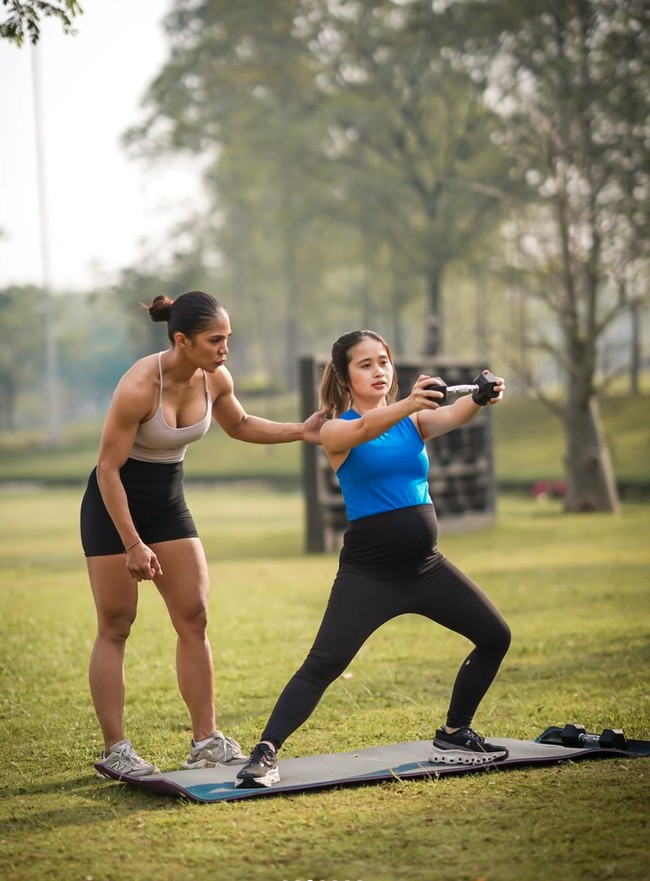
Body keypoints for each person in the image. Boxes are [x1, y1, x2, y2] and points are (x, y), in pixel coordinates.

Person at [236, 329, 511, 788]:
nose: (379, 371)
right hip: (370, 573)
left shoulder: (415, 422)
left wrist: (483, 395)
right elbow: (364, 429)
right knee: (322, 665)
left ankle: (454, 732)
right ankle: (265, 753)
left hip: (426, 567)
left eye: (383, 361)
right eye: (365, 364)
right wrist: (410, 403)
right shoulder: (333, 428)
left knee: (495, 635)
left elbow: (455, 414)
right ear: (344, 377)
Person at [81, 290, 329, 778]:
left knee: (193, 616)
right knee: (116, 625)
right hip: (114, 507)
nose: (225, 349)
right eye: (215, 340)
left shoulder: (215, 377)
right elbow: (108, 469)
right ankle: (116, 749)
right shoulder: (137, 386)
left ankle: (205, 742)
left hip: (168, 503)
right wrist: (132, 542)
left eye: (228, 338)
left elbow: (239, 424)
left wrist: (301, 430)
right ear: (182, 340)